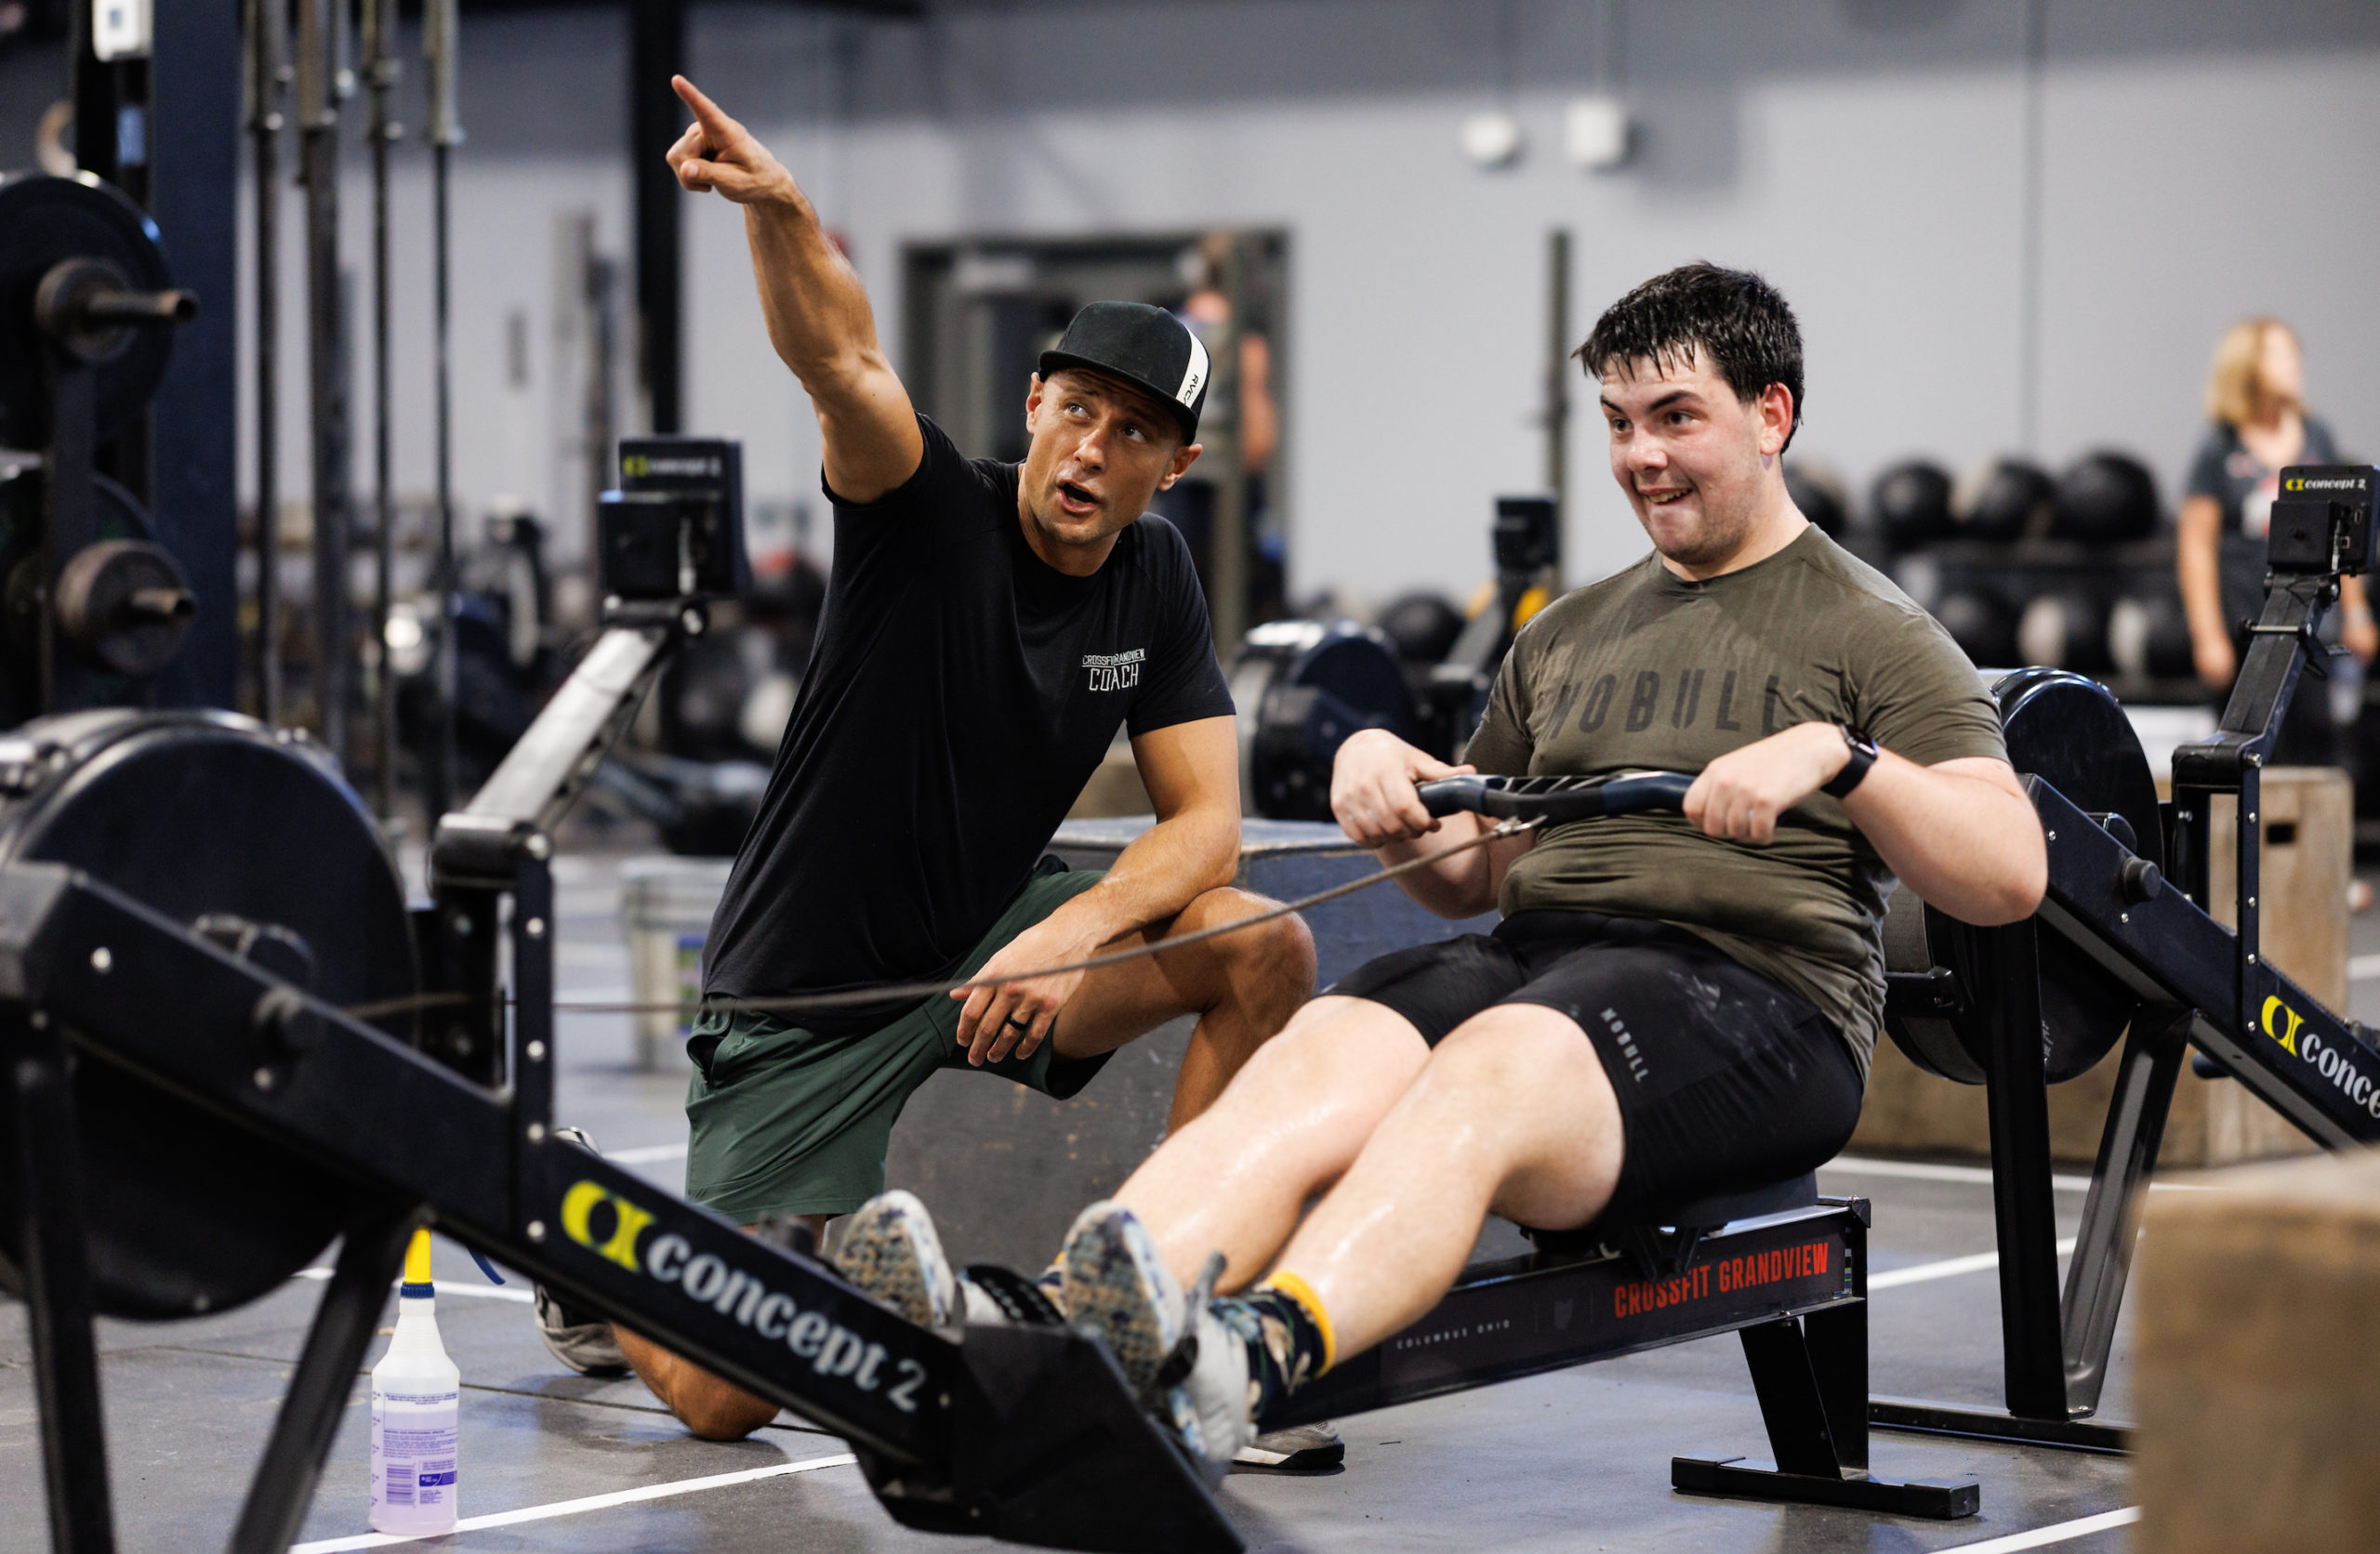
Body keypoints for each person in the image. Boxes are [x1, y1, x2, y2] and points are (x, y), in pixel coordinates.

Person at [820, 262, 2050, 1480]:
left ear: (1771, 414)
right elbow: (1476, 875)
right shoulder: (1568, 633)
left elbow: (2008, 876)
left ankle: (1244, 1357)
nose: (1641, 457)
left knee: (1491, 1061)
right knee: (1323, 1046)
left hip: (1755, 997)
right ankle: (1046, 1330)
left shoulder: (1873, 629)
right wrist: (1390, 788)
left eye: (1678, 418)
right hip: (1538, 961)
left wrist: (1844, 760)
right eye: (1620, 424)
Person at [533, 75, 1318, 1453]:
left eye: (1133, 433)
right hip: (804, 997)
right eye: (1076, 408)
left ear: (1177, 465)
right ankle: (591, 1242)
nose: (1091, 449)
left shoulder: (1157, 576)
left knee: (1260, 947)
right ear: (1035, 400)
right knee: (732, 1400)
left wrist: (1065, 929)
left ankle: (1163, 1296)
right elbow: (843, 363)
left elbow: (1209, 828)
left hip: (987, 961)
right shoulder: (927, 513)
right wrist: (784, 218)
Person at [2177, 317, 2377, 763]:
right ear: (2248, 366)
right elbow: (2196, 548)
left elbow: (2348, 532)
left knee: (2317, 751)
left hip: (2309, 632)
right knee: (2243, 755)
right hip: (2246, 632)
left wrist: (2358, 614)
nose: (2294, 365)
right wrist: (2207, 635)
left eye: (2294, 354)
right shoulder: (2219, 448)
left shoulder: (2317, 437)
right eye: (2280, 355)